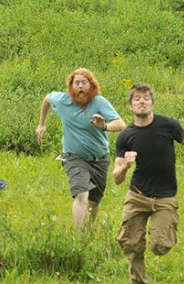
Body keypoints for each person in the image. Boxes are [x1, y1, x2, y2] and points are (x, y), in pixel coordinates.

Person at [113, 84, 184, 284]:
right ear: (130, 106)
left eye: (146, 98)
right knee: (131, 243)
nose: (142, 102)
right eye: (137, 99)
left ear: (152, 102)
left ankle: (167, 226)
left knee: (159, 245)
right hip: (137, 195)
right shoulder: (126, 136)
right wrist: (125, 167)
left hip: (165, 196)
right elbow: (116, 178)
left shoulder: (168, 125)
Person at [36, 68, 126, 228]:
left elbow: (120, 124)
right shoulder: (63, 100)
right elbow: (47, 99)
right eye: (76, 83)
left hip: (99, 158)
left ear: (91, 85)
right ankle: (79, 237)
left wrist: (103, 126)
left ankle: (87, 232)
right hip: (74, 156)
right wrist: (41, 124)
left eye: (84, 82)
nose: (80, 86)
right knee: (81, 194)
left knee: (94, 202)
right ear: (71, 87)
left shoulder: (99, 102)